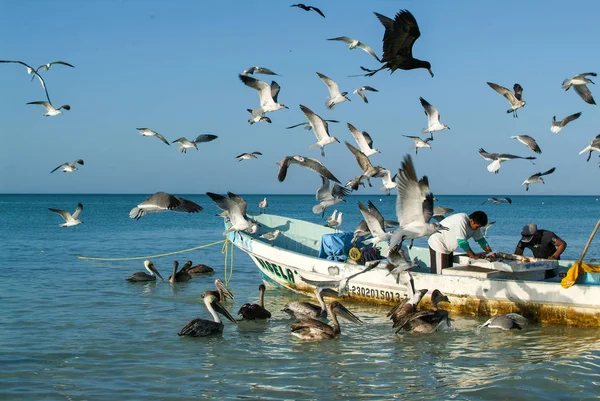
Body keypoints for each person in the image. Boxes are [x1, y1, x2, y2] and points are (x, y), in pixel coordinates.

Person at [427, 211, 494, 274]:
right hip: (438, 244)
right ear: (471, 221)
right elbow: (462, 242)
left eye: (480, 227)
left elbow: (481, 241)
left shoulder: (474, 226)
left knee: (447, 271)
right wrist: (473, 255)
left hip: (448, 248)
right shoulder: (461, 220)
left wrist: (491, 253)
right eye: (477, 227)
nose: (478, 229)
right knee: (440, 273)